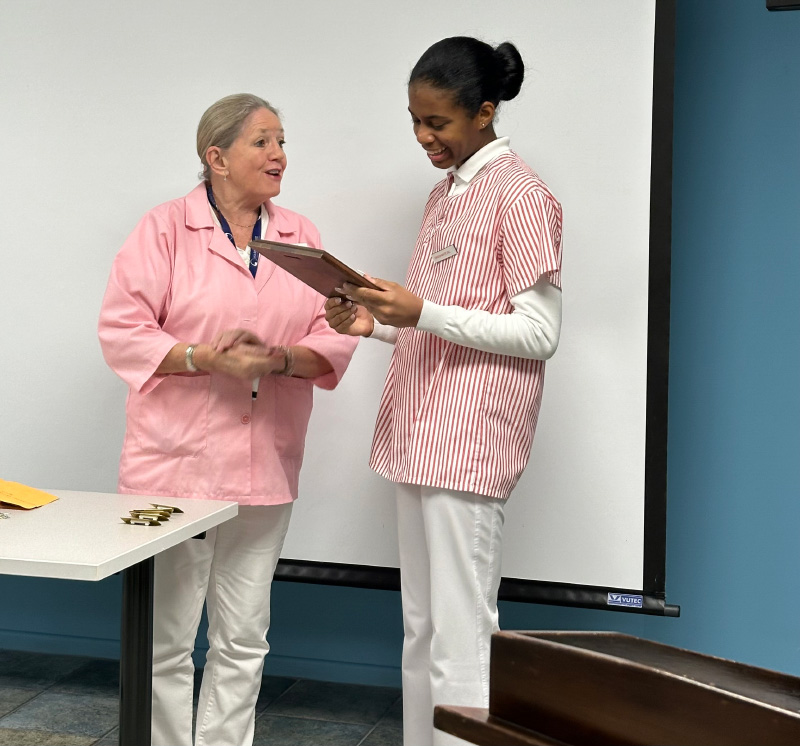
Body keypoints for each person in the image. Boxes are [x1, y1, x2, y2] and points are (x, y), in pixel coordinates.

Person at [98, 93, 358, 746]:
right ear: (216, 157)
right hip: (172, 468)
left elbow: (333, 336)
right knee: (164, 637)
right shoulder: (163, 230)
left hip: (263, 463)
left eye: (282, 141)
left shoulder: (301, 238)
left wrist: (278, 359)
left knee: (244, 637)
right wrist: (203, 358)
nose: (279, 155)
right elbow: (123, 331)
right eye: (262, 142)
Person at [325, 37, 563, 746]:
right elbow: (436, 320)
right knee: (422, 628)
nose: (424, 137)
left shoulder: (522, 195)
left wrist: (422, 310)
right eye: (415, 122)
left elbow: (539, 333)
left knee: (463, 635)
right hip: (417, 432)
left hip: (471, 438)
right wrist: (373, 322)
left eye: (438, 123)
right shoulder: (445, 193)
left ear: (485, 112)